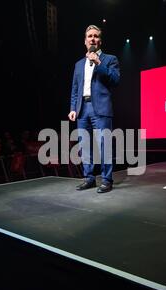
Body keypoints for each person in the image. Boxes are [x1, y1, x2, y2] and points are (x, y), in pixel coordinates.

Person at [68, 25, 120, 193]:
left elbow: (115, 80)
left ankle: (106, 180)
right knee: (85, 146)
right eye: (89, 36)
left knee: (104, 145)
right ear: (85, 41)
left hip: (101, 109)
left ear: (100, 40)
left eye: (96, 36)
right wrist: (73, 108)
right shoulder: (78, 64)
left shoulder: (110, 59)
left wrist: (98, 63)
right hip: (82, 109)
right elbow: (75, 89)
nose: (92, 38)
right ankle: (89, 178)